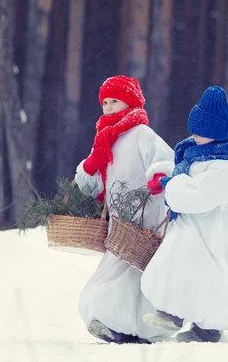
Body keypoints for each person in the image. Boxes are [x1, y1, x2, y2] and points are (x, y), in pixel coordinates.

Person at [141, 85, 228, 343]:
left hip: (214, 236)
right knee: (182, 267)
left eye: (202, 131)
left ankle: (207, 327)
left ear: (217, 134)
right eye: (194, 129)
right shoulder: (199, 155)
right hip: (196, 230)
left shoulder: (223, 168)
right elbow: (186, 174)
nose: (195, 135)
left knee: (209, 279)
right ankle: (173, 312)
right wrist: (165, 173)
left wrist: (169, 185)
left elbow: (199, 195)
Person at [74, 75, 175, 344]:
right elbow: (90, 185)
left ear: (129, 101)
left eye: (114, 101)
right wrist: (91, 165)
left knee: (138, 270)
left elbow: (165, 161)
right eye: (104, 102)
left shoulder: (142, 134)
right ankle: (113, 321)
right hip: (120, 221)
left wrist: (158, 176)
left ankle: (143, 328)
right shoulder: (105, 139)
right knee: (119, 268)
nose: (107, 107)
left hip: (145, 215)